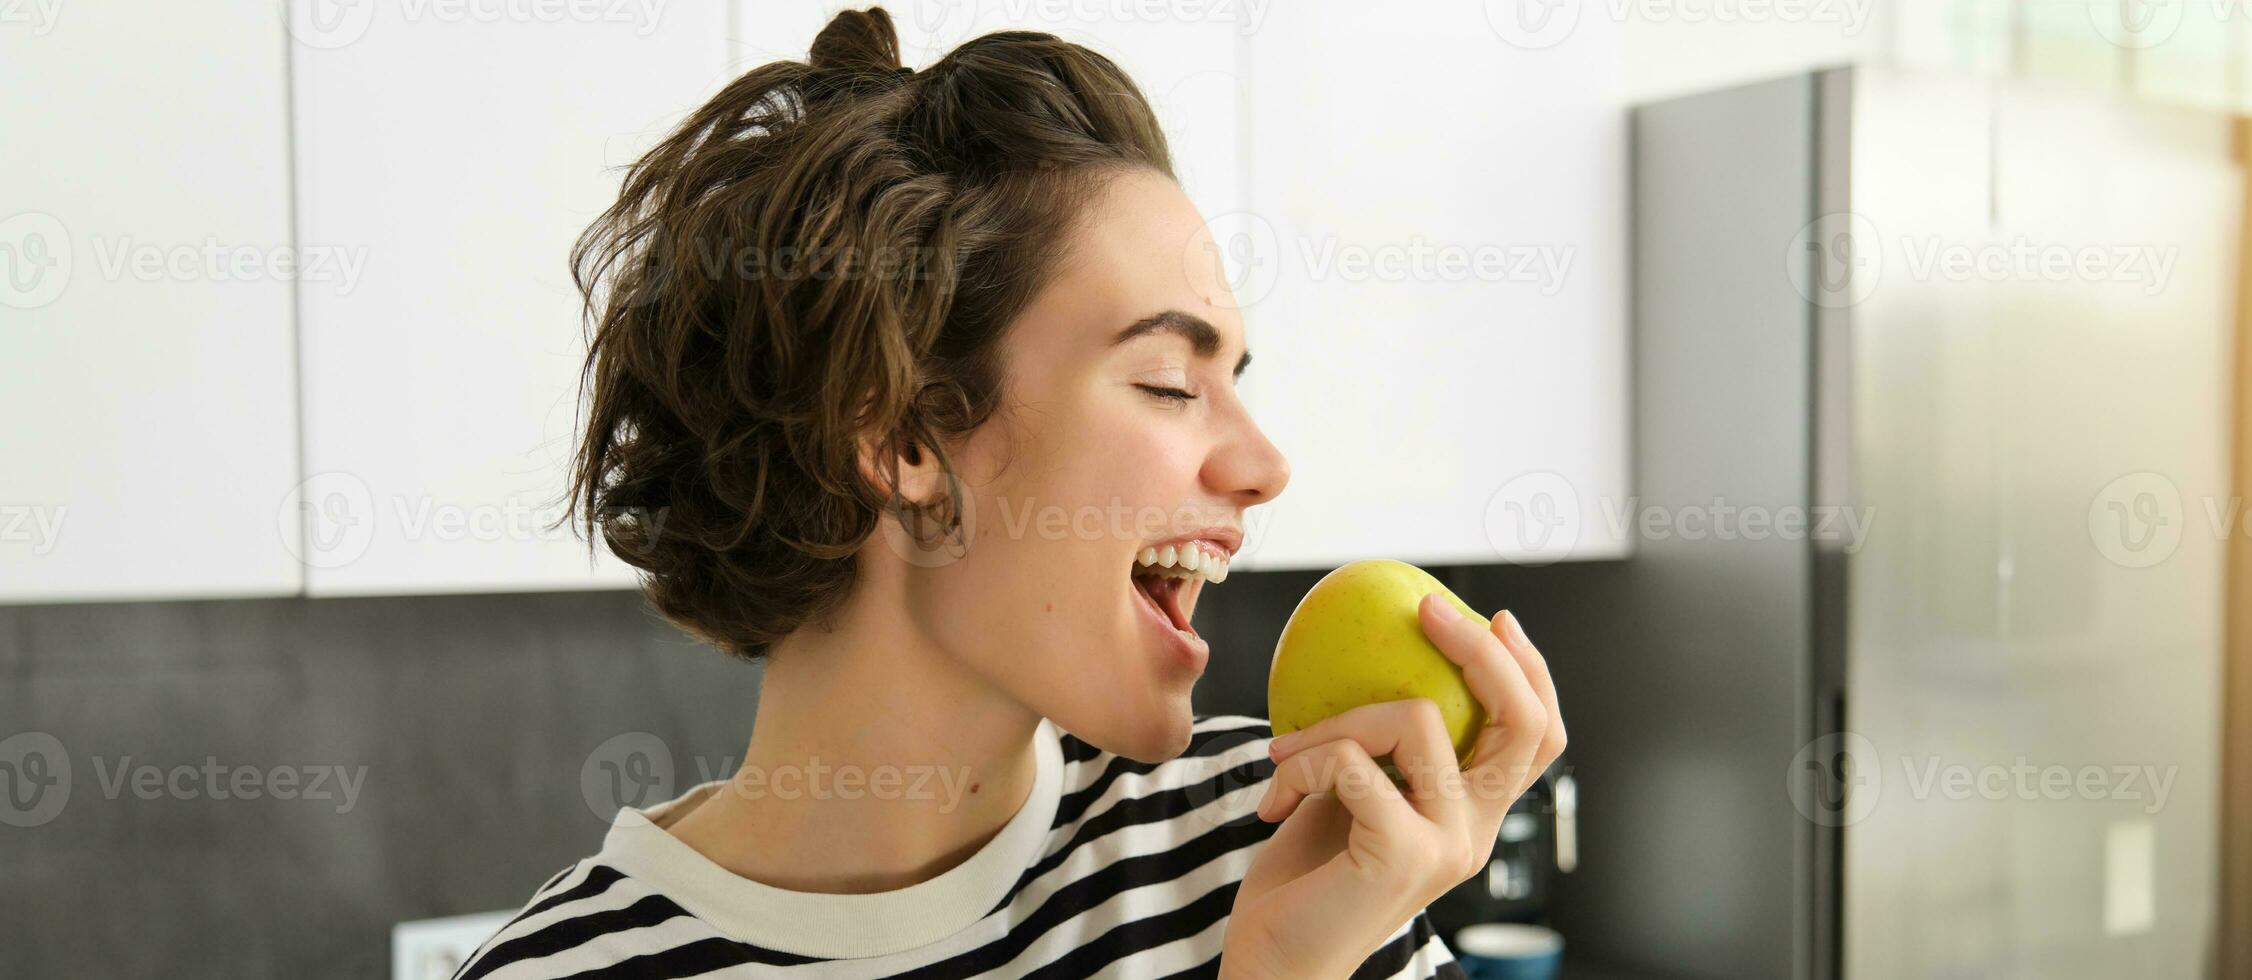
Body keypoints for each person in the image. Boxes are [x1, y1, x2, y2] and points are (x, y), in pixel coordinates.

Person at [456, 8, 1564, 978]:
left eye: (1233, 378)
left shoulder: (1288, 842)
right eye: (1170, 382)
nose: (1263, 465)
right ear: (902, 435)